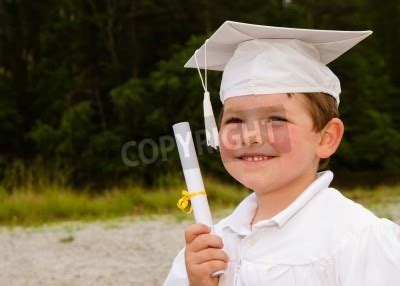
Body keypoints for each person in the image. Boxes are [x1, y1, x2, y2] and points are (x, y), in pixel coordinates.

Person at [163, 21, 400, 286]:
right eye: (235, 121)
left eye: (275, 119)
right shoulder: (211, 244)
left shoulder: (357, 238)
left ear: (326, 137)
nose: (250, 135)